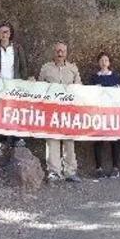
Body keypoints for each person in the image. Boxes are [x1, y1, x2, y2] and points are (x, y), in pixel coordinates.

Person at [38, 42, 82, 182]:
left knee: (69, 141)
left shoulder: (73, 68)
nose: (60, 53)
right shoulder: (46, 68)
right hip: (51, 110)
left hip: (69, 110)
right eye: (57, 50)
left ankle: (70, 171)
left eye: (62, 51)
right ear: (54, 52)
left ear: (66, 53)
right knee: (52, 140)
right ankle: (54, 172)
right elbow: (39, 87)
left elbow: (79, 87)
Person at [0, 22, 31, 148]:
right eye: (1, 32)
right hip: (0, 87)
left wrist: (23, 83)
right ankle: (3, 142)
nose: (4, 34)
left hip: (14, 86)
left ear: (10, 33)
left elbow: (23, 67)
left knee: (16, 112)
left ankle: (17, 138)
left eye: (6, 31)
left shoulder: (17, 48)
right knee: (1, 113)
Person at [88, 52, 120, 178]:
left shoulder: (115, 77)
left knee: (115, 140)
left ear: (109, 62)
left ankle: (115, 168)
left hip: (113, 113)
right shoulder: (94, 78)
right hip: (98, 113)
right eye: (101, 60)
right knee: (98, 140)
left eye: (106, 60)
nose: (104, 62)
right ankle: (99, 168)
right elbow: (89, 93)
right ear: (98, 62)